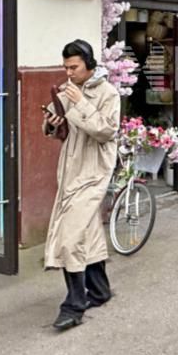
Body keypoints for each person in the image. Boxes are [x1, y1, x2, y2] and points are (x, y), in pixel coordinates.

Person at [43, 39, 121, 331]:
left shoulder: (108, 93)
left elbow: (106, 131)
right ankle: (99, 290)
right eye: (65, 67)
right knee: (87, 230)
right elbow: (58, 127)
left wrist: (80, 103)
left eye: (73, 67)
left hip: (94, 172)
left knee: (70, 235)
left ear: (89, 65)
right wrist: (52, 122)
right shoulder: (67, 89)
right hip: (69, 171)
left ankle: (74, 306)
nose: (69, 72)